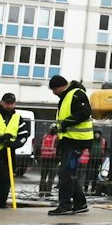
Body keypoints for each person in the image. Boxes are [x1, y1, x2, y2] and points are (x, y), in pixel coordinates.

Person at [48, 74, 95, 216]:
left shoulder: (76, 95)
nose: (54, 93)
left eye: (54, 90)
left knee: (66, 174)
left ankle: (65, 205)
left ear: (60, 86)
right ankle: (80, 204)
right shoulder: (68, 96)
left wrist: (64, 124)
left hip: (76, 141)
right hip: (71, 140)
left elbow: (84, 113)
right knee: (69, 174)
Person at [36, 123, 60, 196]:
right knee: (51, 177)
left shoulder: (44, 137)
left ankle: (41, 192)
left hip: (44, 159)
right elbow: (59, 150)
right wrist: (59, 159)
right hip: (53, 160)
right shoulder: (57, 138)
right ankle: (48, 192)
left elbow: (38, 148)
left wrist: (37, 158)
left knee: (43, 177)